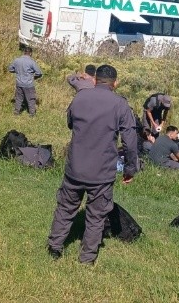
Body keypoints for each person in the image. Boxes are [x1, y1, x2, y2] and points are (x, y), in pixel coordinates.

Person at [46, 64, 139, 264]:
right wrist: (130, 169)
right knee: (96, 216)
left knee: (65, 207)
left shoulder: (80, 97)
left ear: (95, 80)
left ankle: (54, 247)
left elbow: (70, 122)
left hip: (76, 167)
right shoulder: (120, 105)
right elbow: (130, 142)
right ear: (116, 83)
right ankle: (87, 258)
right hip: (101, 171)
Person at [8, 46, 43, 116]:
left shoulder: (16, 60)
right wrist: (35, 77)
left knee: (18, 98)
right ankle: (32, 114)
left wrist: (18, 71)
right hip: (29, 84)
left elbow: (10, 69)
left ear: (24, 52)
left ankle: (16, 112)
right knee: (31, 99)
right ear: (30, 53)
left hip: (19, 83)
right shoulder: (31, 62)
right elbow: (39, 73)